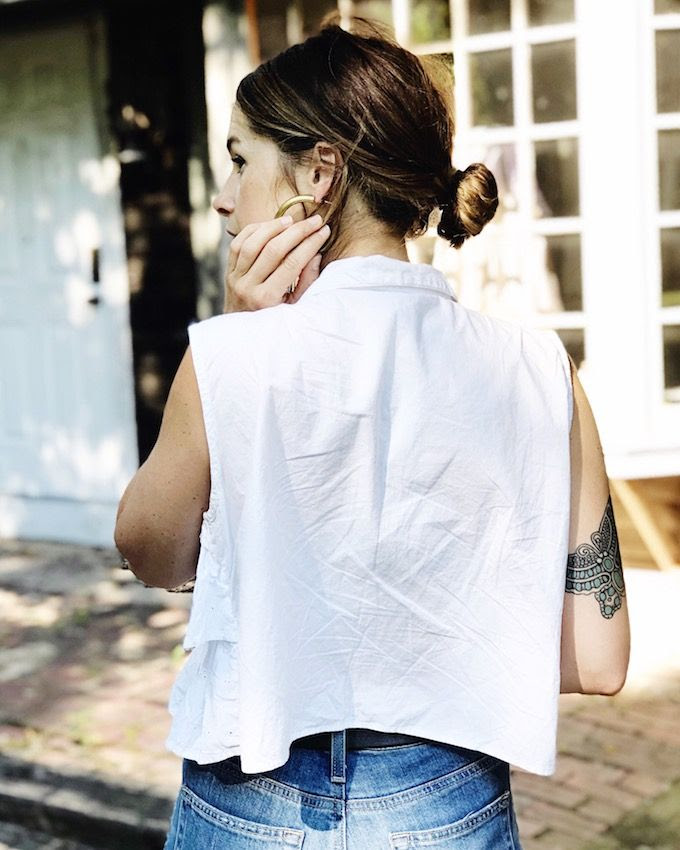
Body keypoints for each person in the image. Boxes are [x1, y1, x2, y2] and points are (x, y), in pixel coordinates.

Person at [114, 14, 631, 850]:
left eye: (240, 160)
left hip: (250, 799)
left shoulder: (232, 354)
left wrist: (239, 347)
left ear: (320, 173)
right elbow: (598, 662)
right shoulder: (542, 370)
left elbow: (151, 554)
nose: (222, 194)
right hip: (447, 801)